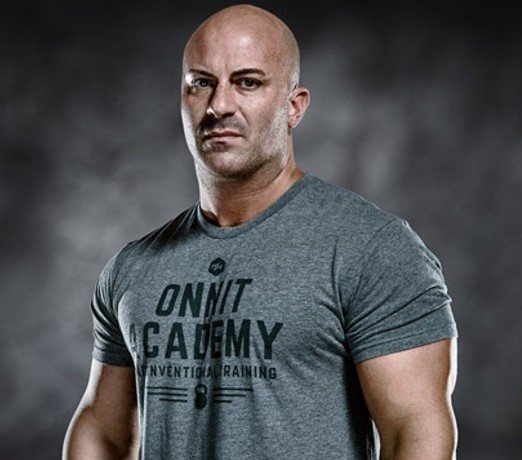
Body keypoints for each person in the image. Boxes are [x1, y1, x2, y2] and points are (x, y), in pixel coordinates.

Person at [62, 4, 458, 459]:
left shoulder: (371, 248)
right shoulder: (133, 268)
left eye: (247, 82)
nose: (219, 105)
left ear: (294, 106)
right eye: (201, 83)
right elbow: (102, 430)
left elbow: (415, 430)